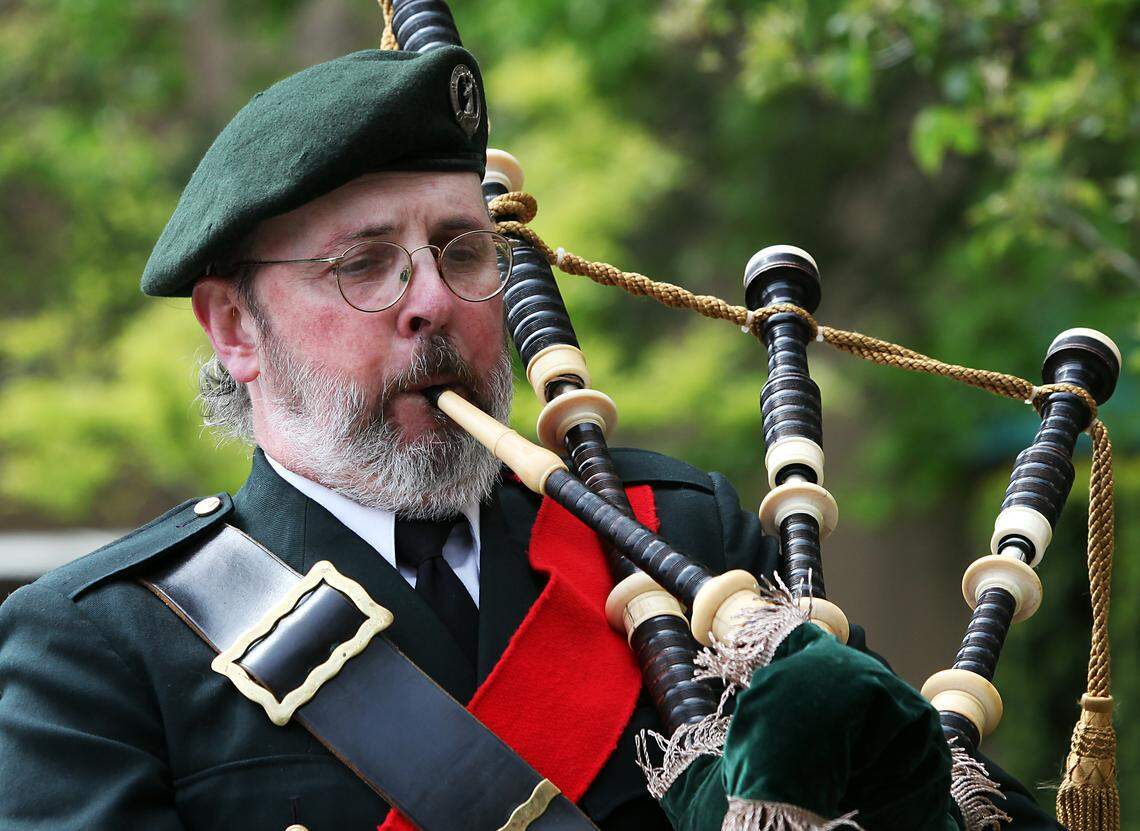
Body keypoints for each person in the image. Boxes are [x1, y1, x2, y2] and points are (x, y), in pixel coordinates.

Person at [0, 45, 1060, 830]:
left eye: (461, 250)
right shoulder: (101, 649)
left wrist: (909, 790)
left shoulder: (678, 533)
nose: (433, 303)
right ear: (237, 328)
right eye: (365, 264)